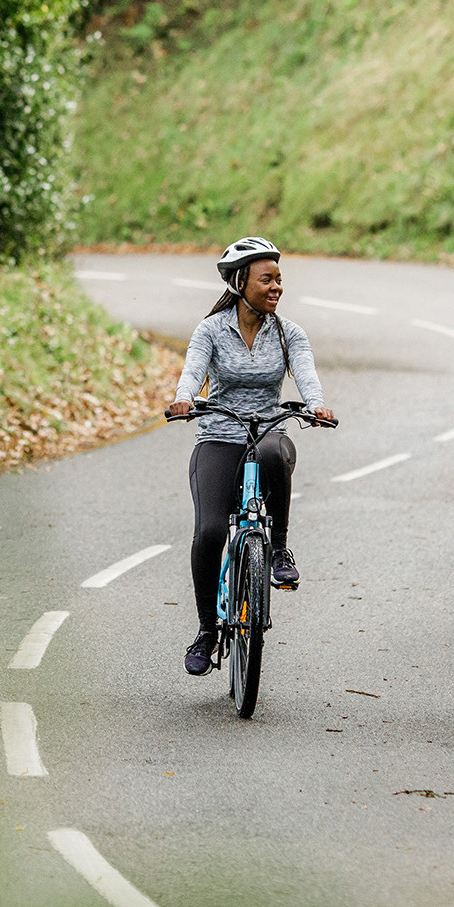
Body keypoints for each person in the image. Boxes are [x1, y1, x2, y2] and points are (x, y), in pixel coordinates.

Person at [168, 237, 336, 676]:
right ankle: (207, 630)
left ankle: (278, 550)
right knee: (208, 533)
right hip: (219, 436)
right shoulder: (211, 330)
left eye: (280, 279)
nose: (277, 286)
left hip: (266, 431)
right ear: (241, 282)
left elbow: (305, 373)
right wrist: (184, 398)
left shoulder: (288, 332)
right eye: (268, 279)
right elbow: (192, 371)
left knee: (274, 453)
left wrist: (316, 404)